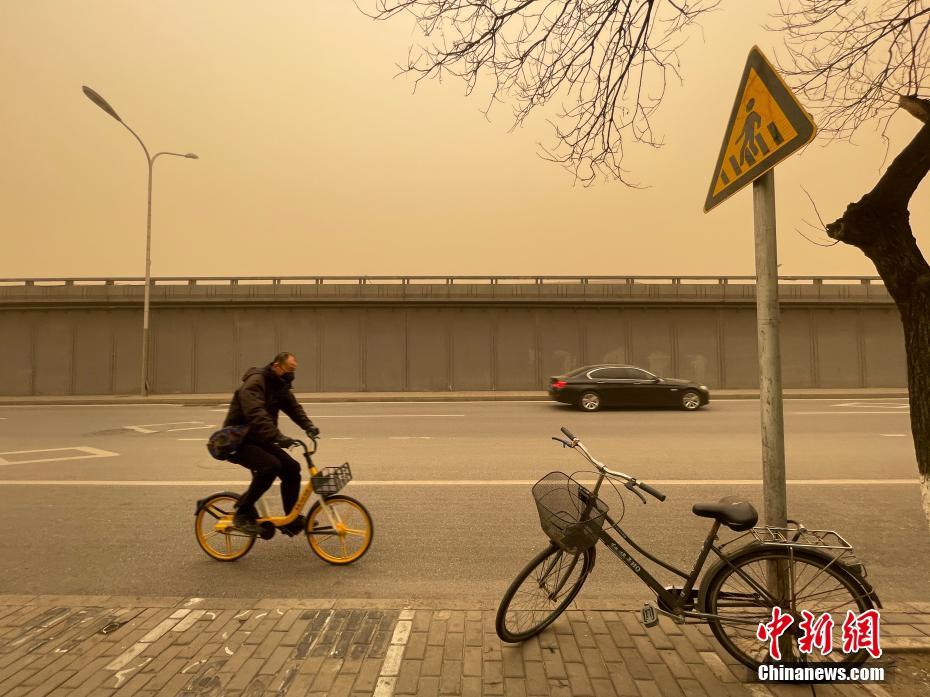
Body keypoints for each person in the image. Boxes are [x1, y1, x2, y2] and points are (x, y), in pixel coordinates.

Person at [223, 352, 320, 536]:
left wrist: (308, 426)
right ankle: (242, 512)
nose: (292, 373)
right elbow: (256, 413)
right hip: (238, 440)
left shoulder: (279, 385)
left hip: (260, 438)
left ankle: (291, 519)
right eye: (289, 369)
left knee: (292, 468)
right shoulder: (256, 381)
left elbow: (293, 407)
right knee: (270, 467)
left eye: (294, 370)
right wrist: (278, 436)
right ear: (276, 366)